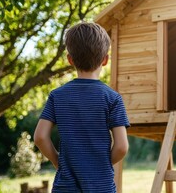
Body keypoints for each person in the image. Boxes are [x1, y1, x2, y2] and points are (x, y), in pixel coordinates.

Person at [34, 22, 129, 193]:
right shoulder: (113, 98)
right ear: (105, 60)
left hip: (65, 186)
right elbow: (122, 147)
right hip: (102, 186)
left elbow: (40, 137)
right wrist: (101, 165)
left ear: (70, 60)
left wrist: (58, 162)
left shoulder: (57, 96)